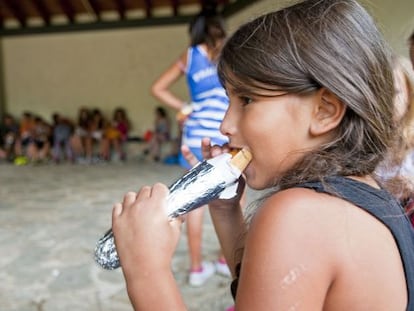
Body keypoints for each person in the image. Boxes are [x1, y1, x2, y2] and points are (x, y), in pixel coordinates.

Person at [112, 0, 414, 309]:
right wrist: (226, 212)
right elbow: (259, 291)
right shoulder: (368, 192)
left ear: (325, 110)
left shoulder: (299, 215)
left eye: (246, 99)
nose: (224, 125)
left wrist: (146, 271)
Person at [150, 11, 231, 285]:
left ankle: (196, 269)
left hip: (195, 133)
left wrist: (184, 107)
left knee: (195, 202)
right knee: (232, 197)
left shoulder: (190, 56)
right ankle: (225, 259)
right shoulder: (230, 53)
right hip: (224, 132)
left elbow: (158, 88)